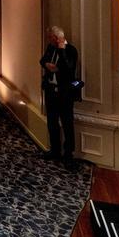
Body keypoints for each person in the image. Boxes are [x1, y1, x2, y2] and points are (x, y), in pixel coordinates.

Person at [40, 26, 80, 169]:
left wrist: (62, 50)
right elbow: (42, 60)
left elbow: (69, 68)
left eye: (51, 38)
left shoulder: (70, 51)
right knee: (52, 122)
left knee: (67, 124)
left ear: (57, 38)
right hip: (51, 91)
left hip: (64, 94)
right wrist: (47, 65)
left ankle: (68, 154)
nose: (49, 41)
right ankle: (55, 150)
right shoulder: (50, 48)